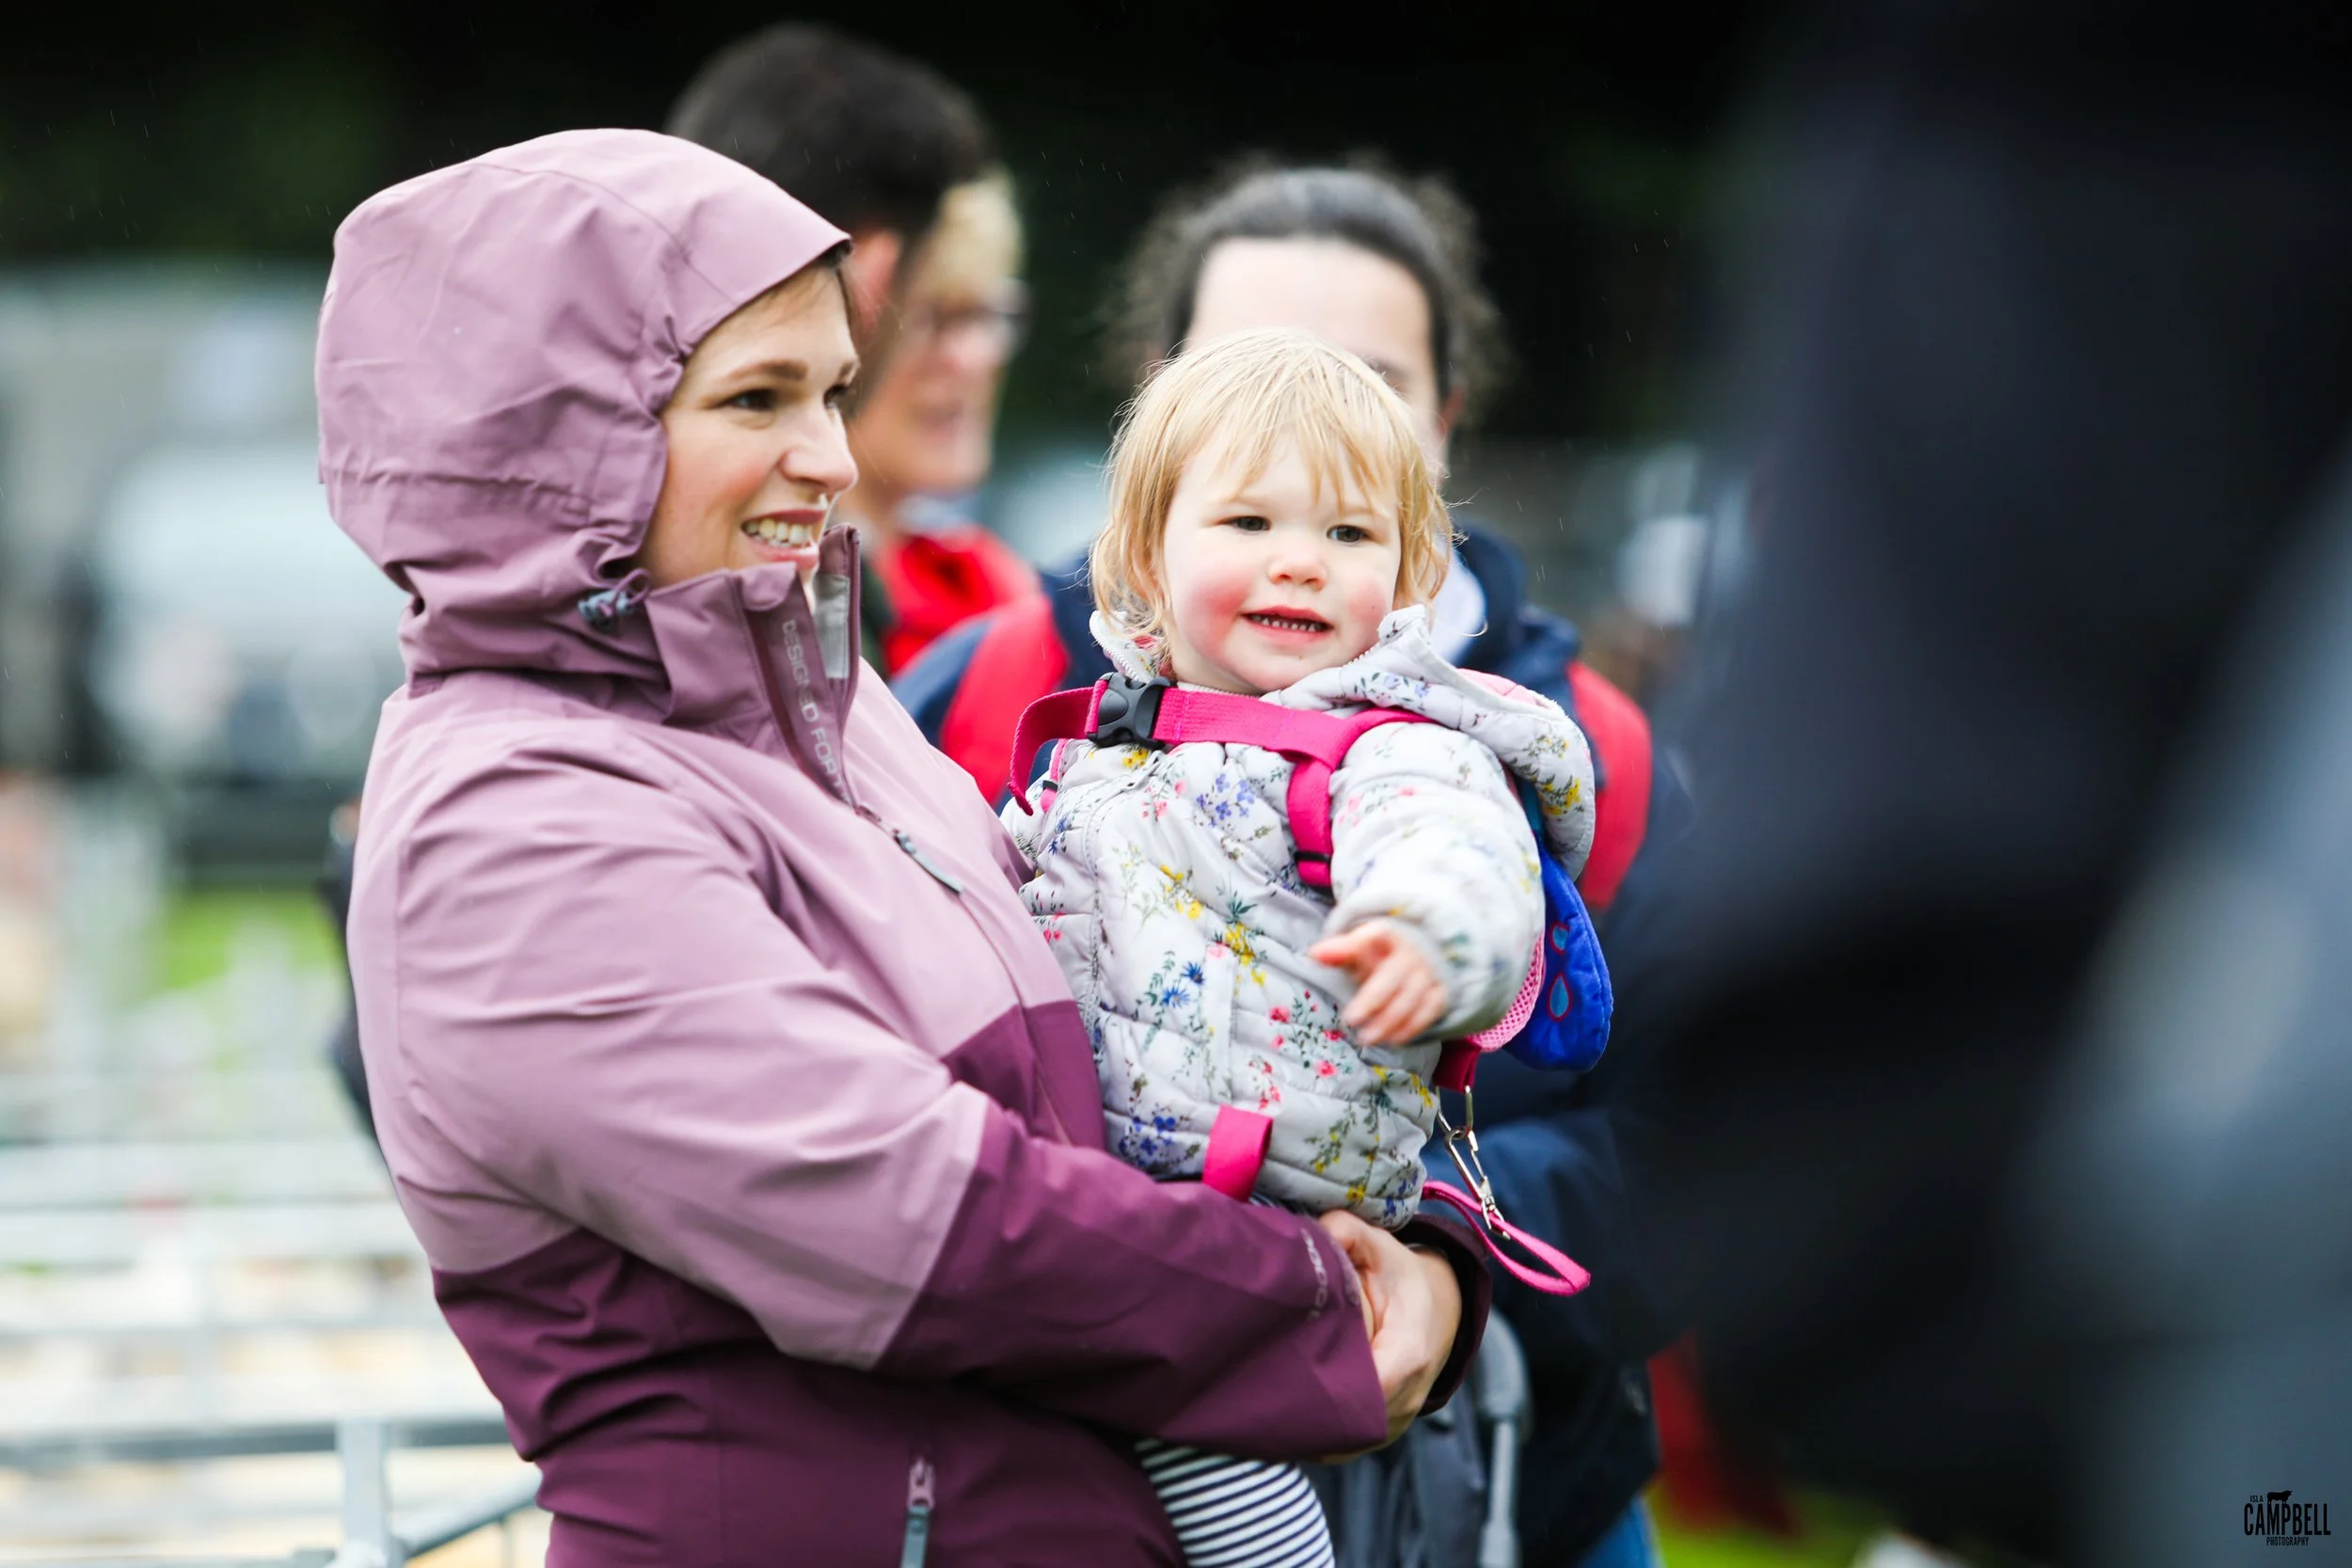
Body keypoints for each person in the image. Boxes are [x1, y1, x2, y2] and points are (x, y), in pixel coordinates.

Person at [318, 129, 1489, 1565]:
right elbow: (918, 1216)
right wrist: (1322, 1298)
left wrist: (1421, 1240)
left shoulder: (827, 701)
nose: (827, 456)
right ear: (549, 443)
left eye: (831, 390)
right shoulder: (509, 819)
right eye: (757, 396)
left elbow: (1135, 1045)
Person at [898, 163, 1682, 1567]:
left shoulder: (1533, 745)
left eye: (1365, 384)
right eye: (1245, 386)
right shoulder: (1004, 700)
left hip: (1514, 1470)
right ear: (1162, 437)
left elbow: (1706, 1135)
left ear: (1437, 427)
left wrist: (1453, 1263)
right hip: (1072, 1348)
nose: (1295, 552)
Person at [1006, 328, 1599, 1568]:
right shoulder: (1107, 753)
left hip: (1256, 1219)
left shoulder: (1391, 746)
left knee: (1218, 1485)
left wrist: (1428, 937)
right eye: (1248, 522)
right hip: (1121, 1198)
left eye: (1348, 534)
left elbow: (1457, 852)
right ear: (1144, 557)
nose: (1301, 562)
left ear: (1411, 569)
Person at [670, 24, 1039, 675]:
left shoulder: (1000, 600)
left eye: (987, 314)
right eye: (934, 316)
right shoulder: (700, 592)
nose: (974, 357)